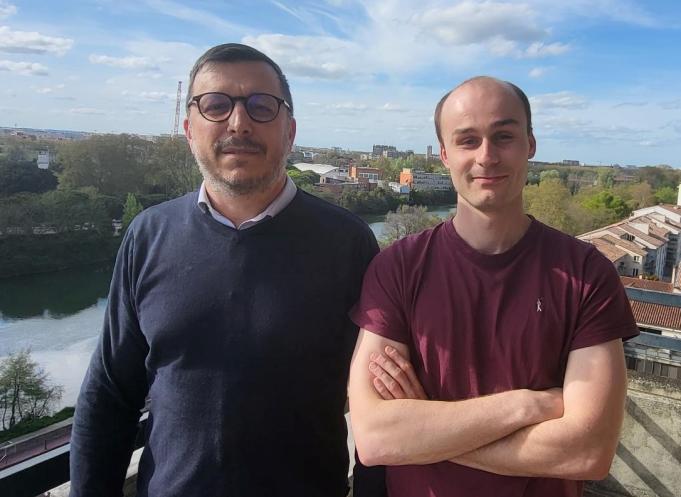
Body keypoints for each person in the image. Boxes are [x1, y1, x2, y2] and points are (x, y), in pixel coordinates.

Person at [70, 43, 379, 497]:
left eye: (261, 106)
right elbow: (111, 396)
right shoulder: (148, 235)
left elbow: (380, 404)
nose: (239, 122)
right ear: (189, 129)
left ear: (289, 131)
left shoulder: (348, 243)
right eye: (216, 105)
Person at [347, 76, 639, 497]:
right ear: (444, 155)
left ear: (530, 145)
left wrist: (427, 429)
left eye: (504, 136)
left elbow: (587, 451)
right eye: (468, 140)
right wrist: (528, 405)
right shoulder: (397, 268)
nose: (487, 156)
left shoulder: (586, 274)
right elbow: (375, 439)